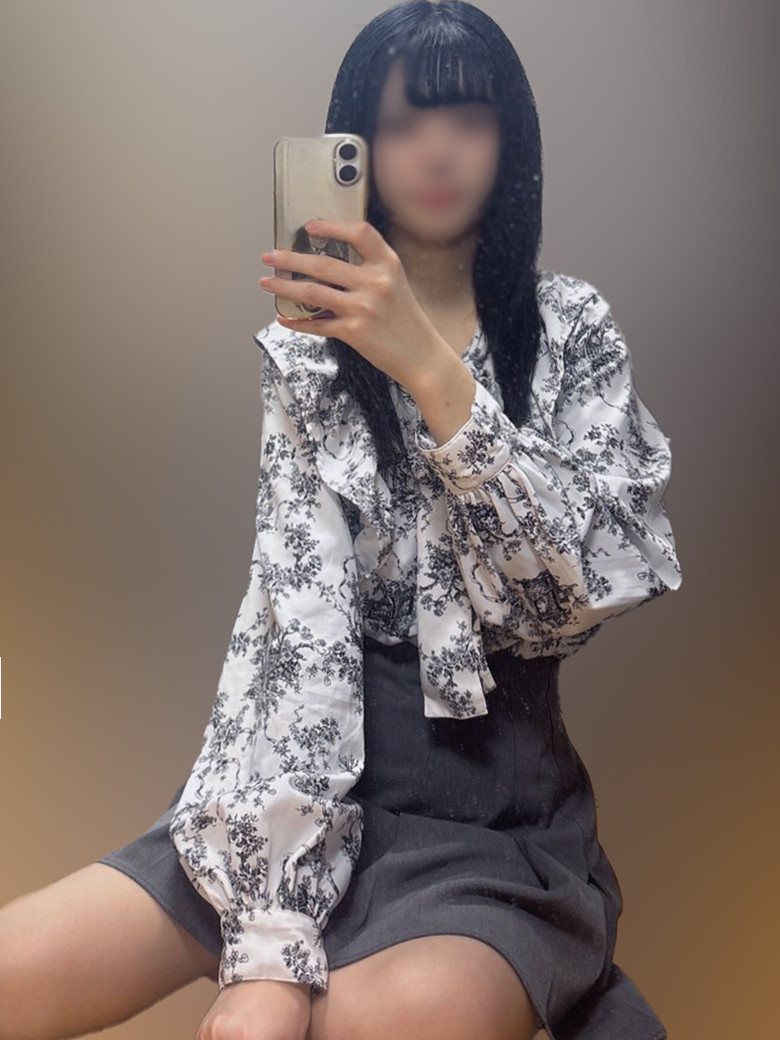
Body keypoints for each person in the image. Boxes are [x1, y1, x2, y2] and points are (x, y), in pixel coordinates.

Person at [0, 3, 682, 1039]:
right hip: (292, 776)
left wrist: (428, 367)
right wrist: (271, 936)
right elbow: (298, 619)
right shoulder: (309, 349)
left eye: (469, 117)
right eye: (403, 123)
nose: (438, 150)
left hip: (488, 810)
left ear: (513, 138)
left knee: (380, 1020)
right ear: (357, 143)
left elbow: (575, 594)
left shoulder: (570, 328)